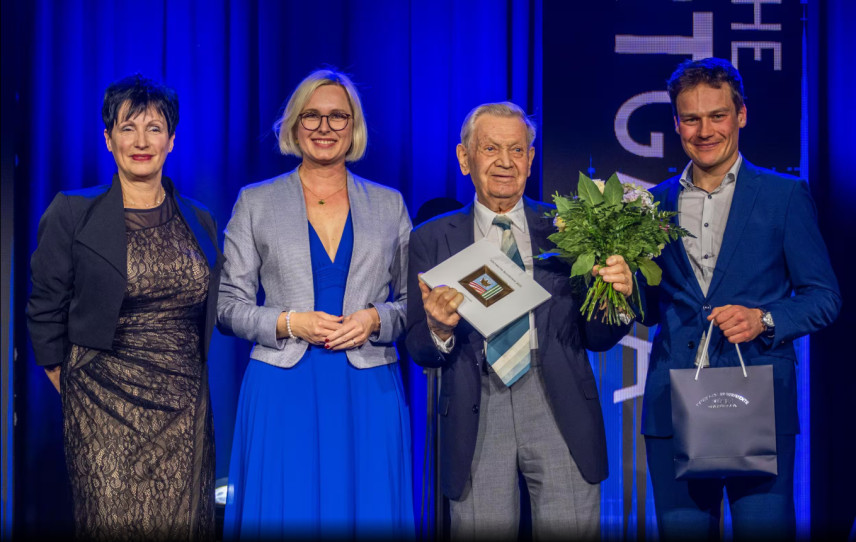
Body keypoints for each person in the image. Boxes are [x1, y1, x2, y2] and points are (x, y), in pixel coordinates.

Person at [406, 102, 634, 540]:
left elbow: (598, 337)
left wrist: (619, 298)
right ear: (464, 157)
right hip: (476, 405)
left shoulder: (568, 229)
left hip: (557, 401)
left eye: (517, 150)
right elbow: (418, 345)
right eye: (490, 148)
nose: (505, 162)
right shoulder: (431, 238)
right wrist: (439, 328)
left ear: (530, 159)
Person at [638, 58, 841, 541]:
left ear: (741, 115)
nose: (704, 131)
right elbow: (645, 307)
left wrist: (763, 319)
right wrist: (618, 285)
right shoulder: (651, 205)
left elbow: (824, 297)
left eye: (717, 116)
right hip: (674, 406)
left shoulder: (784, 196)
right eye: (691, 119)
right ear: (676, 123)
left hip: (759, 407)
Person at [217, 69, 414, 539]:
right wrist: (289, 322)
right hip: (282, 387)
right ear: (294, 124)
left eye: (337, 117)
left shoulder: (389, 205)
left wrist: (375, 318)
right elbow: (227, 305)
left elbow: (413, 304)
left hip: (367, 389)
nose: (325, 127)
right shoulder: (255, 202)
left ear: (354, 126)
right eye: (312, 116)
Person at [26, 74, 221, 540]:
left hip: (183, 404)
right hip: (101, 403)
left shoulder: (200, 219)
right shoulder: (72, 212)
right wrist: (69, 381)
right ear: (108, 138)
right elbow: (45, 305)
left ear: (171, 140)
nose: (141, 141)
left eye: (154, 128)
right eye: (127, 128)